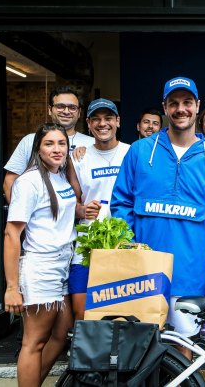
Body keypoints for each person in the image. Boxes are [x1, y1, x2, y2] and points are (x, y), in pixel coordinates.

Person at [111, 76, 205, 359]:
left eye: (187, 102)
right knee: (139, 347)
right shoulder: (140, 151)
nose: (181, 109)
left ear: (197, 106)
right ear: (164, 107)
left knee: (183, 347)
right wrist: (127, 248)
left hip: (189, 272)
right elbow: (121, 203)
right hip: (143, 271)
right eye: (174, 103)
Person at [3, 123, 76, 387]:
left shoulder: (60, 175)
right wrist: (12, 287)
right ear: (38, 148)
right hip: (41, 265)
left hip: (62, 265)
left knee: (61, 332)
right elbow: (12, 234)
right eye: (49, 143)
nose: (56, 149)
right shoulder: (29, 181)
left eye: (61, 143)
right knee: (34, 342)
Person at [68, 98, 130, 321]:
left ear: (118, 121)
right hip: (87, 243)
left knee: (121, 312)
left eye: (108, 118)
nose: (102, 123)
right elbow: (70, 204)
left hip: (124, 242)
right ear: (88, 123)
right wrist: (82, 210)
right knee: (82, 312)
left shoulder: (132, 153)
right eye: (96, 119)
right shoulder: (77, 158)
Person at [3, 86, 94, 203]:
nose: (66, 111)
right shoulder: (30, 140)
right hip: (41, 217)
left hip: (81, 216)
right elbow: (10, 181)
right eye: (60, 106)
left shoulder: (92, 144)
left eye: (72, 107)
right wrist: (21, 213)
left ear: (79, 112)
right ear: (50, 110)